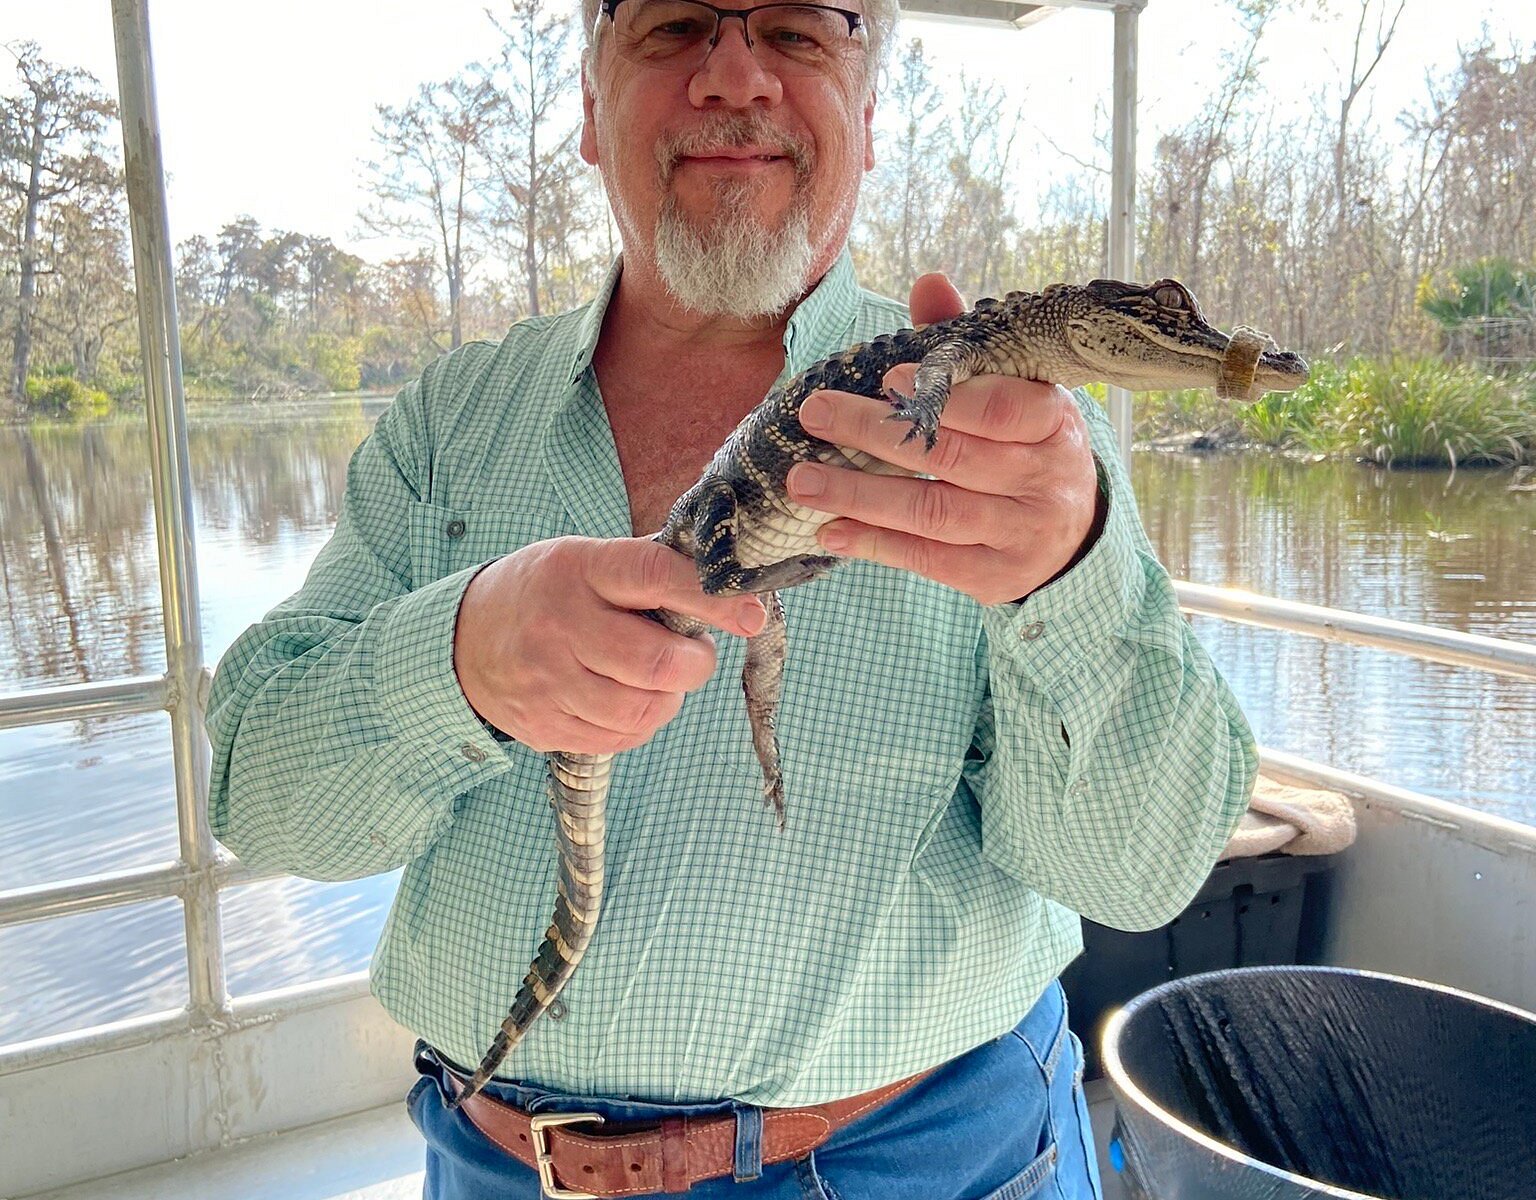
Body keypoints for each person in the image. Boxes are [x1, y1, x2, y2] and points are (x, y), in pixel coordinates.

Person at [205, 0, 1257, 1195]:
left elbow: (1138, 876)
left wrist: (1071, 579)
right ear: (591, 110)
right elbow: (257, 796)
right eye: (674, 26)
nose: (734, 75)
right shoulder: (449, 421)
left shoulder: (1019, 435)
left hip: (926, 1162)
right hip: (496, 1163)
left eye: (801, 30)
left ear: (865, 110)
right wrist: (458, 661)